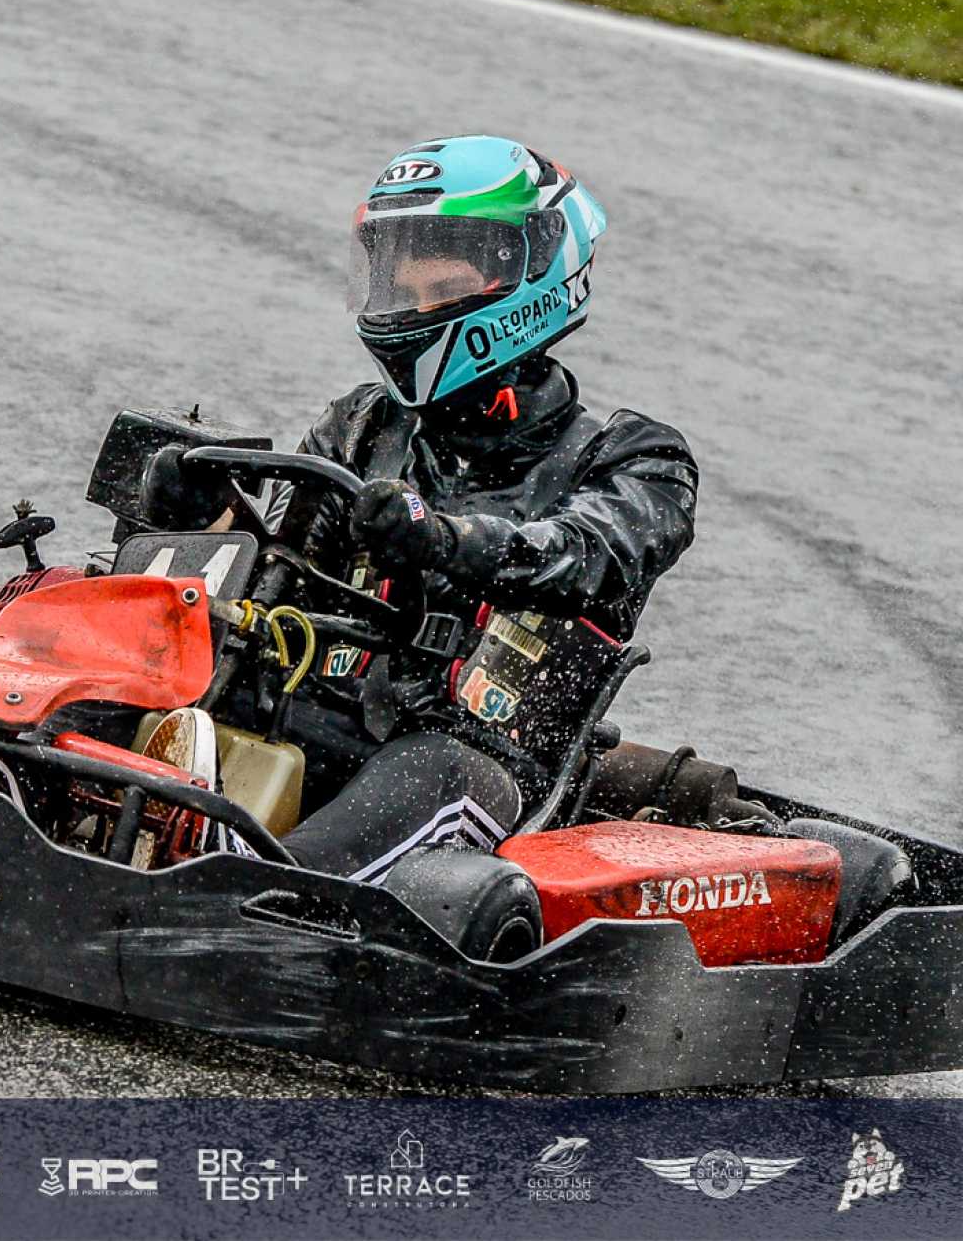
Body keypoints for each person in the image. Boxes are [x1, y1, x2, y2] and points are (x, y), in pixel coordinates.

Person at [271, 135, 699, 880]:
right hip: (328, 719)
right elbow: (281, 565)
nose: (411, 300)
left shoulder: (637, 459)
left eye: (439, 282)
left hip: (487, 767)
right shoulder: (364, 427)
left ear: (530, 272)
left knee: (430, 771)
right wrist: (196, 510)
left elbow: (582, 556)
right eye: (399, 279)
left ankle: (255, 895)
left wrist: (443, 539)